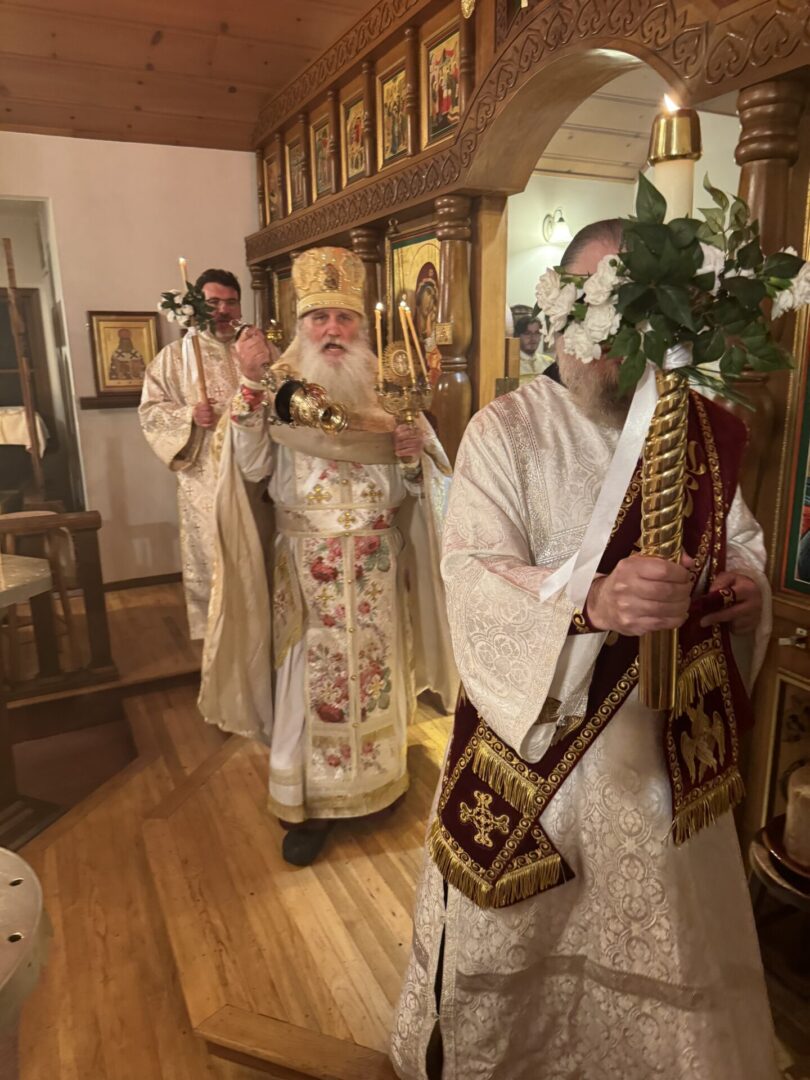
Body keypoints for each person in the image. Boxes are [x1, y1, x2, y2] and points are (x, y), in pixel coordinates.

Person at [391, 220, 779, 1079]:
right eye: (604, 316)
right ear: (561, 315)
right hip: (542, 747)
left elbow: (739, 537)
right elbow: (472, 569)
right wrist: (595, 598)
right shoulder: (507, 430)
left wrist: (746, 588)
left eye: (642, 318)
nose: (617, 344)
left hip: (664, 753)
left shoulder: (700, 433)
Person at [199, 246, 458, 866]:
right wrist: (251, 389)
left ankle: (379, 782)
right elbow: (251, 468)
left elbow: (424, 487)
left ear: (360, 326)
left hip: (375, 562)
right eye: (320, 319)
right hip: (305, 562)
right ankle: (306, 804)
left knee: (377, 670)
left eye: (343, 319)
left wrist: (408, 452)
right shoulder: (276, 382)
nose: (333, 332)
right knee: (306, 680)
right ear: (300, 323)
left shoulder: (388, 384)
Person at [140, 268, 257, 640]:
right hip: (204, 478)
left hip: (257, 475)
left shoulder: (257, 351)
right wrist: (189, 417)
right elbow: (151, 411)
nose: (223, 310)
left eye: (231, 302)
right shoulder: (175, 358)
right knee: (215, 558)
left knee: (257, 555)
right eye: (214, 302)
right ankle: (218, 640)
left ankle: (261, 633)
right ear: (198, 307)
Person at [514, 313, 550, 381]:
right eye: (527, 333)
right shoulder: (510, 365)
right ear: (517, 336)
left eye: (537, 333)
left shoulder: (549, 363)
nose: (533, 338)